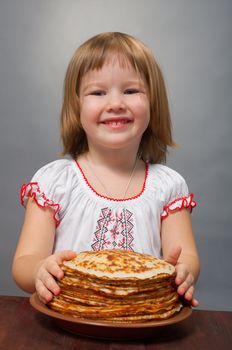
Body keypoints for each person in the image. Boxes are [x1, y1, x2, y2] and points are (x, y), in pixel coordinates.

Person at [12, 32, 200, 306]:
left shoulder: (168, 186)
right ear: (76, 107)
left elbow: (187, 256)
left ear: (153, 103)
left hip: (142, 323)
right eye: (98, 92)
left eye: (131, 91)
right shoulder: (56, 182)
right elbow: (24, 262)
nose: (115, 104)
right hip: (69, 321)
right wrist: (40, 270)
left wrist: (184, 270)